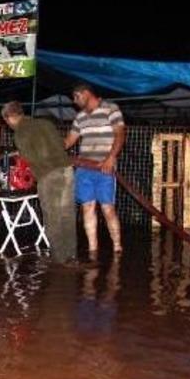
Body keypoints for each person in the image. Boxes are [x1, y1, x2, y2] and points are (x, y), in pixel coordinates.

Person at [0, 101, 77, 264]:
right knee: (67, 214)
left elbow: (29, 158)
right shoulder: (45, 123)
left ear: (9, 117)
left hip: (48, 174)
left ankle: (58, 258)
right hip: (67, 170)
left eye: (6, 121)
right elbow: (60, 144)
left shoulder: (20, 133)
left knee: (52, 216)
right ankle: (71, 254)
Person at [64, 83, 126, 256]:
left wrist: (111, 157)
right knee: (87, 207)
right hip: (84, 168)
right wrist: (50, 145)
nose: (75, 101)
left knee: (108, 208)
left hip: (104, 166)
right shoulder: (80, 117)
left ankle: (117, 246)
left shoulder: (111, 109)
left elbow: (120, 134)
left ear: (85, 93)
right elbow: (68, 141)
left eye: (76, 97)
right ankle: (93, 249)